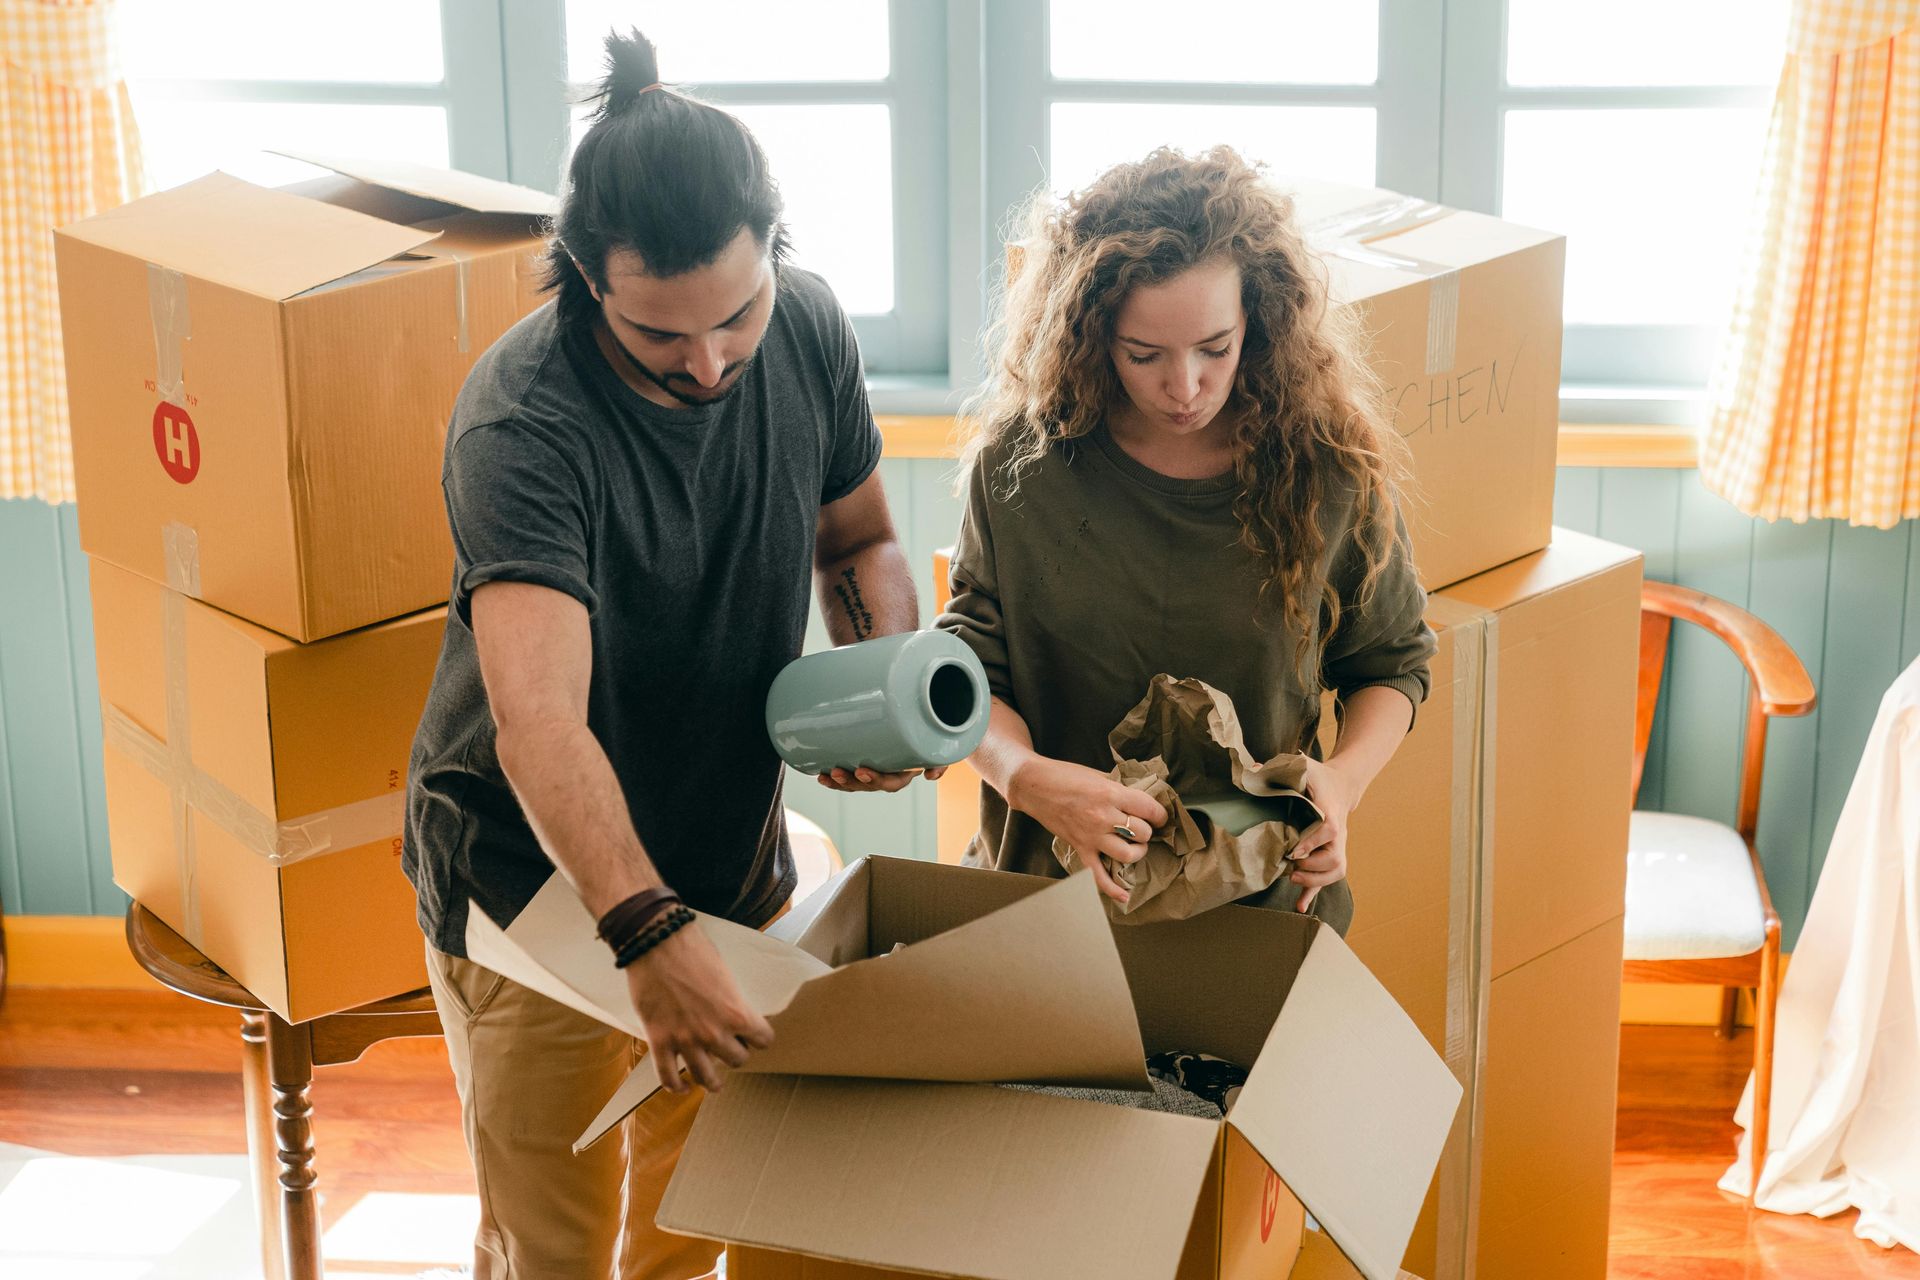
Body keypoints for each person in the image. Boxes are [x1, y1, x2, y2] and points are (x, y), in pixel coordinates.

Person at [402, 30, 934, 1280]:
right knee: (558, 1254)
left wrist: (884, 692)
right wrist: (648, 935)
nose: (709, 362)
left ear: (774, 259)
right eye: (660, 336)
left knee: (687, 1232)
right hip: (537, 884)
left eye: (736, 314)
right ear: (589, 281)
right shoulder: (523, 423)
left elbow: (858, 538)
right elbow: (540, 724)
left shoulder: (804, 330)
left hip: (721, 858)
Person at [938, 146, 1437, 932]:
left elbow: (1393, 664)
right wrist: (1025, 778)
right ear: (1095, 334)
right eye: (1145, 355)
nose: (1185, 387)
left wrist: (1342, 785)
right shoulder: (1022, 466)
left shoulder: (1327, 470)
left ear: (1259, 323)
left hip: (1265, 912)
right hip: (1049, 910)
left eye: (1215, 348)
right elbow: (966, 670)